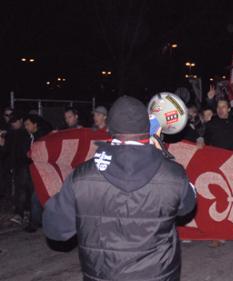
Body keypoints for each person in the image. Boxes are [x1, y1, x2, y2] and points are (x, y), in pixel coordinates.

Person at [43, 96, 196, 281]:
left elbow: (56, 229)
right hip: (157, 275)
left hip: (102, 275)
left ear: (109, 129)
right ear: (147, 130)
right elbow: (187, 206)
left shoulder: (81, 176)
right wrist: (161, 156)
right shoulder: (173, 174)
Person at [23, 114, 51, 232]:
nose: (26, 127)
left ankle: (34, 223)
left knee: (36, 196)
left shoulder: (41, 137)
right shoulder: (31, 136)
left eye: (28, 124)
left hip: (42, 171)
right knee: (36, 196)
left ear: (35, 125)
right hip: (34, 170)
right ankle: (39, 220)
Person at [6, 114, 32, 227]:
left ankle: (21, 213)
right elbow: (9, 151)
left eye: (15, 121)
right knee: (20, 189)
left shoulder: (25, 133)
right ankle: (22, 213)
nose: (13, 124)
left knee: (22, 189)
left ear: (20, 120)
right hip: (17, 165)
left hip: (25, 164)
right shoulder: (12, 133)